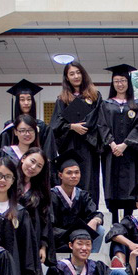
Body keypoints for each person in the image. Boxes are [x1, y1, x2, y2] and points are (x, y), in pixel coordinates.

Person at [98, 64, 138, 222]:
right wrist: (112, 144)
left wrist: (125, 144)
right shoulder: (106, 104)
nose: (120, 84)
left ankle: (128, 222)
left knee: (130, 189)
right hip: (111, 153)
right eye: (117, 81)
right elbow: (102, 125)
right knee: (112, 188)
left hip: (130, 154)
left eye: (123, 80)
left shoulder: (137, 104)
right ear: (112, 83)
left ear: (128, 82)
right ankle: (114, 223)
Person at [49, 61, 103, 205]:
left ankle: (90, 212)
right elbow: (55, 125)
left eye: (78, 72)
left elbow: (99, 119)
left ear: (83, 74)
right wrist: (71, 126)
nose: (76, 76)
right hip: (70, 146)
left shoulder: (95, 96)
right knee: (71, 178)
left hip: (88, 146)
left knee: (89, 181)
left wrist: (84, 127)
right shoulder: (62, 99)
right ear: (67, 78)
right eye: (72, 74)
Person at [51, 152, 104, 254]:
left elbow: (95, 213)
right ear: (60, 175)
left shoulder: (82, 195)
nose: (74, 176)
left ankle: (91, 258)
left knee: (99, 229)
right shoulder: (52, 196)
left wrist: (95, 220)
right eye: (69, 173)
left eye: (77, 172)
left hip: (80, 239)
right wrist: (72, 234)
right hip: (59, 241)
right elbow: (50, 226)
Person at [0, 79, 57, 160]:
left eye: (29, 99)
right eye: (22, 100)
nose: (26, 103)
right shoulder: (9, 127)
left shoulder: (42, 127)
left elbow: (49, 153)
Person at [17, 147, 55, 267]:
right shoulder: (9, 182)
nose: (33, 167)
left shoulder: (40, 190)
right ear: (23, 158)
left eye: (39, 166)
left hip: (32, 240)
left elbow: (45, 219)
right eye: (32, 161)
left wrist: (43, 246)